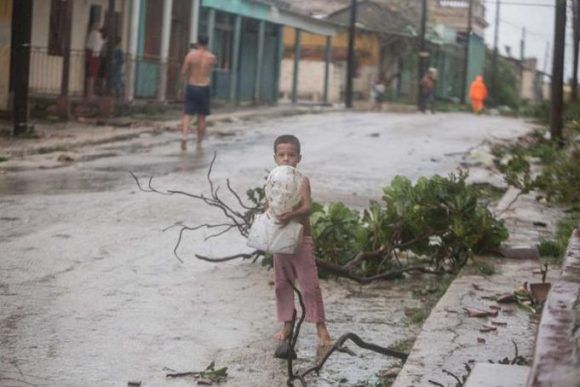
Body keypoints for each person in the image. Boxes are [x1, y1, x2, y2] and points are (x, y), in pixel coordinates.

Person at [267, 135, 333, 356]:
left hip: (301, 240)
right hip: (280, 240)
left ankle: (320, 327)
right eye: (282, 155)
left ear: (299, 158)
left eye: (291, 155)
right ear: (275, 157)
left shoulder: (302, 180)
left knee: (309, 285)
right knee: (282, 284)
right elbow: (268, 204)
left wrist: (291, 214)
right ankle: (287, 323)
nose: (286, 159)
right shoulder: (272, 180)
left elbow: (307, 207)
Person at [179, 35, 216, 150]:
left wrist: (180, 88)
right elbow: (210, 71)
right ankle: (199, 143)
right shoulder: (212, 57)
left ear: (198, 43)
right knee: (202, 117)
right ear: (207, 43)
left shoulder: (191, 55)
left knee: (187, 114)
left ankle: (184, 138)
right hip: (204, 86)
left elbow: (183, 72)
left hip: (192, 86)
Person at [85, 22, 104, 99]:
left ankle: (89, 92)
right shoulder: (96, 35)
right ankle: (90, 93)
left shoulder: (91, 34)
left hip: (90, 55)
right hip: (94, 55)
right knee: (92, 74)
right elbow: (97, 46)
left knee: (90, 74)